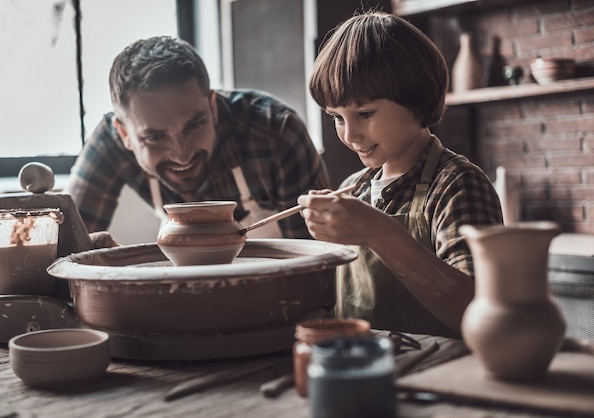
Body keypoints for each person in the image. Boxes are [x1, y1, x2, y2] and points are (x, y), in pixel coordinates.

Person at [297, 11, 503, 337]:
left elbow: (480, 313)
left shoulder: (456, 184)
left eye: (365, 113)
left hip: (442, 375)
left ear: (417, 98)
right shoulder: (353, 189)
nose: (350, 135)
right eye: (337, 117)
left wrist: (379, 232)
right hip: (367, 369)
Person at [65, 36, 330, 240]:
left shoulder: (276, 131)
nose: (183, 154)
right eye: (155, 137)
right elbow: (64, 243)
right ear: (124, 134)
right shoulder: (108, 143)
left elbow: (317, 259)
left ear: (212, 106)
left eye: (194, 125)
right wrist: (108, 263)